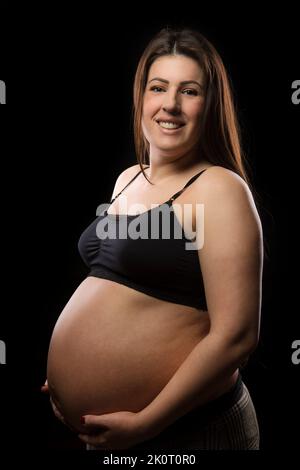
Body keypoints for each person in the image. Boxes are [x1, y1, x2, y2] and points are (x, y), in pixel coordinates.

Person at [42, 27, 263, 450]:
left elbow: (237, 335)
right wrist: (70, 382)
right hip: (120, 436)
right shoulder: (128, 178)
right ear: (142, 97)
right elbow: (116, 288)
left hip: (189, 432)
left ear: (210, 104)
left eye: (190, 91)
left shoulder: (219, 188)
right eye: (158, 87)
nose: (171, 105)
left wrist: (147, 423)